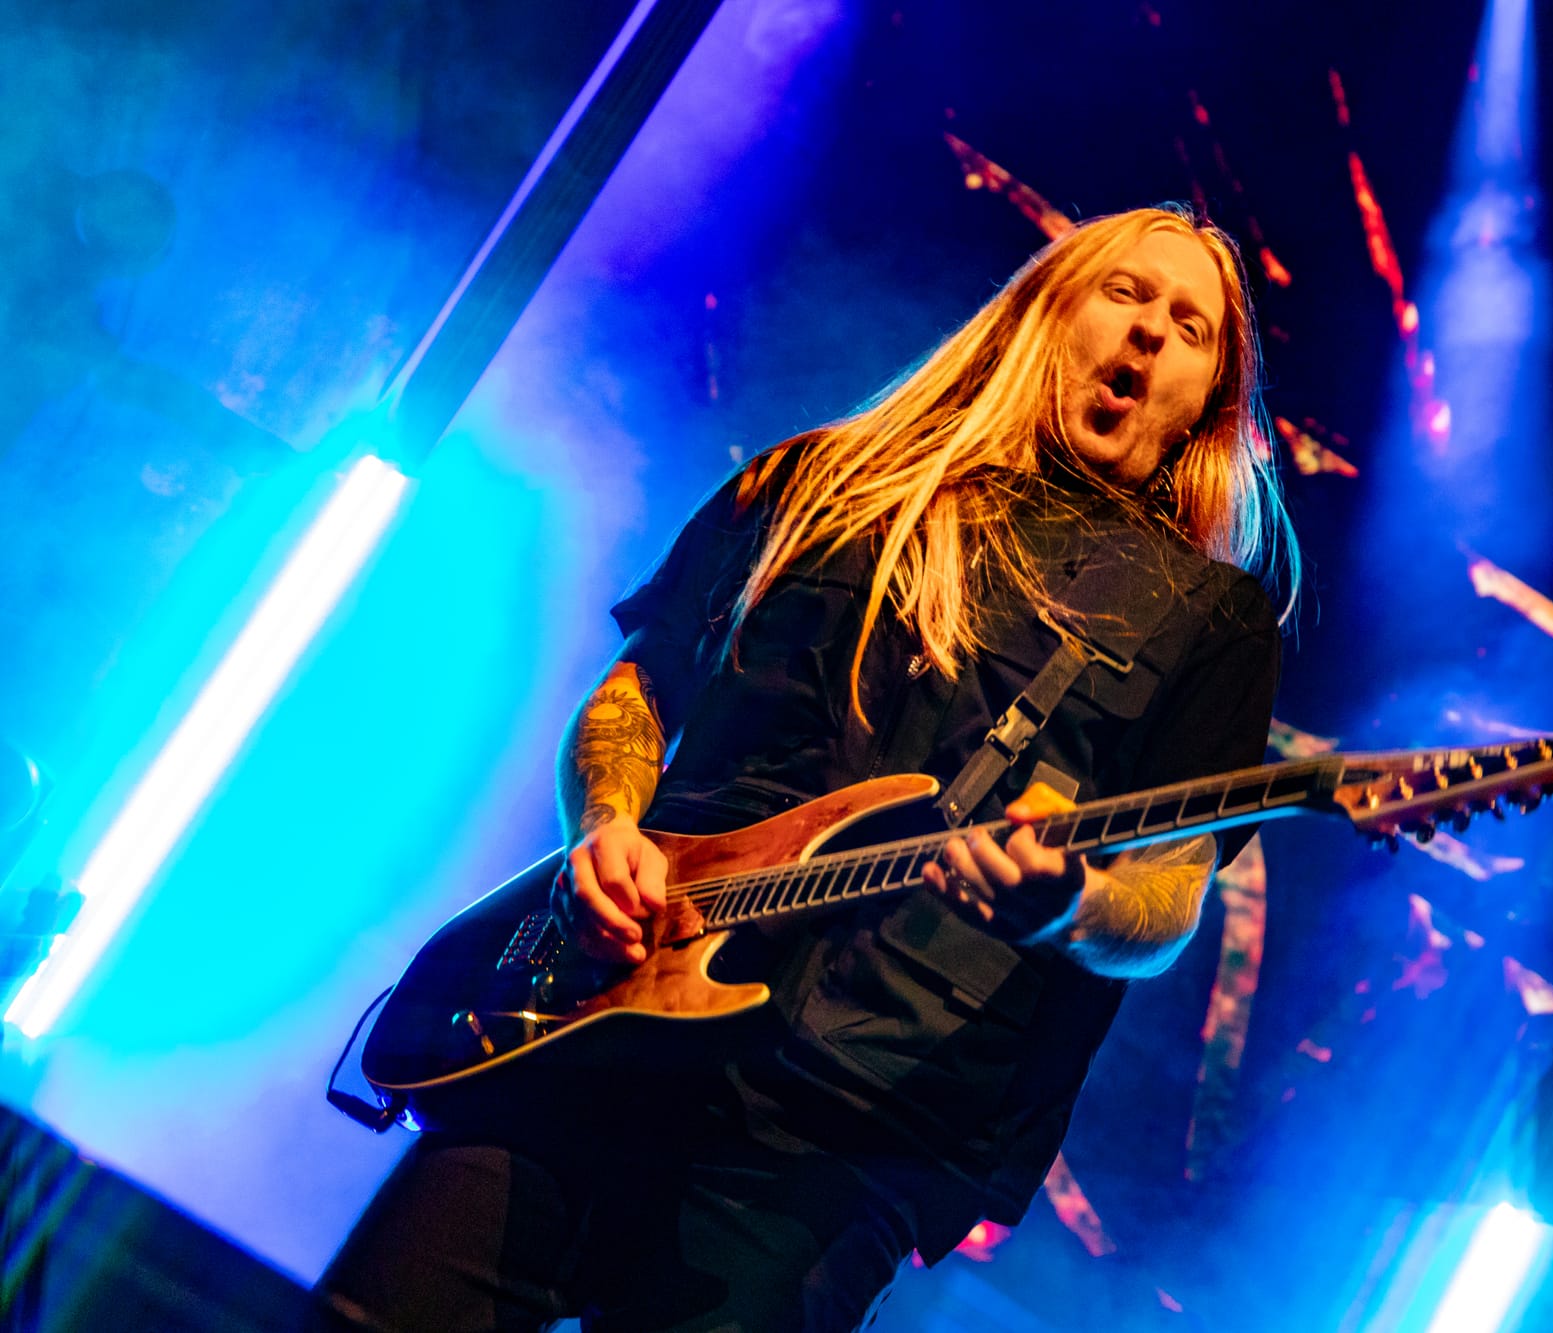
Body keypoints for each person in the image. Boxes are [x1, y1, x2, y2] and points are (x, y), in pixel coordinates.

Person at [313, 203, 1297, 1332]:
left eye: (1190, 326)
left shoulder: (1209, 621)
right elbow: (640, 687)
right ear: (1045, 312)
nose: (1151, 331)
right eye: (1125, 292)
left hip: (839, 1138)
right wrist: (606, 830)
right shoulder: (821, 477)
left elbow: (1168, 894)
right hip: (590, 1025)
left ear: (1204, 404)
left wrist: (1069, 902)